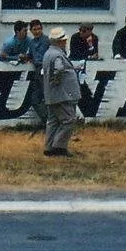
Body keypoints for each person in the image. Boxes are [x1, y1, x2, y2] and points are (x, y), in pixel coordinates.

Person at [41, 27, 81, 157]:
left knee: (53, 121)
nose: (65, 42)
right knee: (68, 120)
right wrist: (56, 81)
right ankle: (58, 146)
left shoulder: (48, 53)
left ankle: (49, 146)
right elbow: (58, 69)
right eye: (64, 40)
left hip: (52, 95)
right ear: (59, 42)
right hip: (62, 94)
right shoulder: (58, 55)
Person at [26, 19, 50, 129]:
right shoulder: (31, 42)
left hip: (46, 69)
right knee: (35, 98)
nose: (37, 31)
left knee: (47, 96)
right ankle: (47, 119)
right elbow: (30, 55)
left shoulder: (47, 40)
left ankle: (50, 122)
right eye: (34, 29)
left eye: (39, 29)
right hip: (37, 70)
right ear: (31, 31)